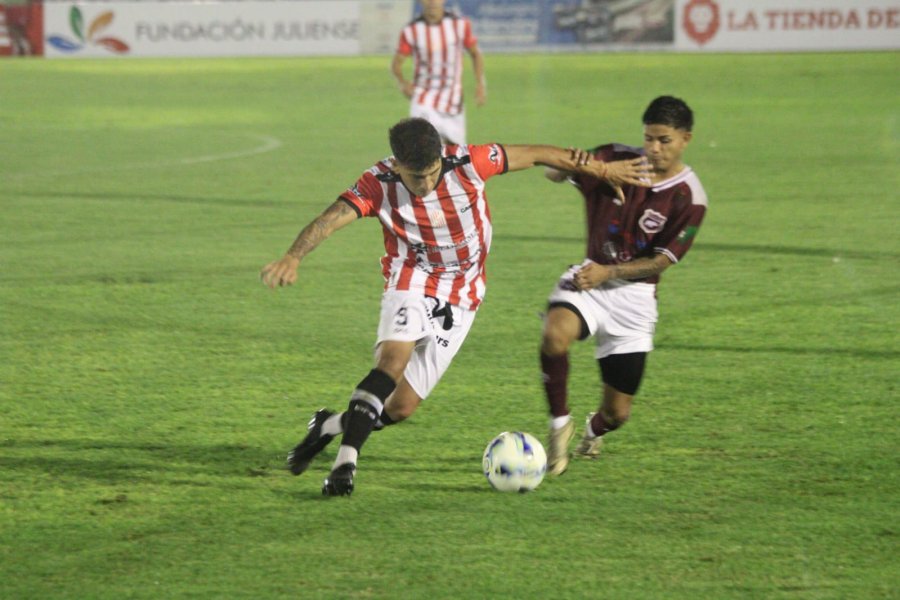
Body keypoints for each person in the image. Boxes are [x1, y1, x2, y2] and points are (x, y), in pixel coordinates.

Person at [260, 117, 650, 497]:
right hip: (411, 278)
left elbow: (538, 154)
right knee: (392, 363)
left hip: (463, 295)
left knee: (401, 407)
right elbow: (328, 220)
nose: (426, 184)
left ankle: (328, 426)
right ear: (397, 165)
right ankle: (345, 465)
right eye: (416, 177)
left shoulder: (470, 162)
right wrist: (293, 256)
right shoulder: (378, 183)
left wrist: (601, 170)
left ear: (441, 157)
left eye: (432, 173)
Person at [540, 96, 708, 476]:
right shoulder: (615, 158)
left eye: (664, 140)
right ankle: (559, 426)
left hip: (635, 298)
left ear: (686, 139)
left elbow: (661, 261)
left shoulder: (689, 196)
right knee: (554, 336)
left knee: (617, 414)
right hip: (589, 279)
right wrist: (586, 168)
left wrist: (610, 272)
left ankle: (591, 432)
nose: (654, 148)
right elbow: (552, 172)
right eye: (649, 138)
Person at [391, 0, 486, 145]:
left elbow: (475, 54)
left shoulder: (459, 25)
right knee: (424, 148)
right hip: (423, 98)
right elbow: (396, 63)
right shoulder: (412, 30)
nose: (432, 2)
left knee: (455, 152)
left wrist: (480, 84)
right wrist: (402, 83)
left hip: (453, 101)